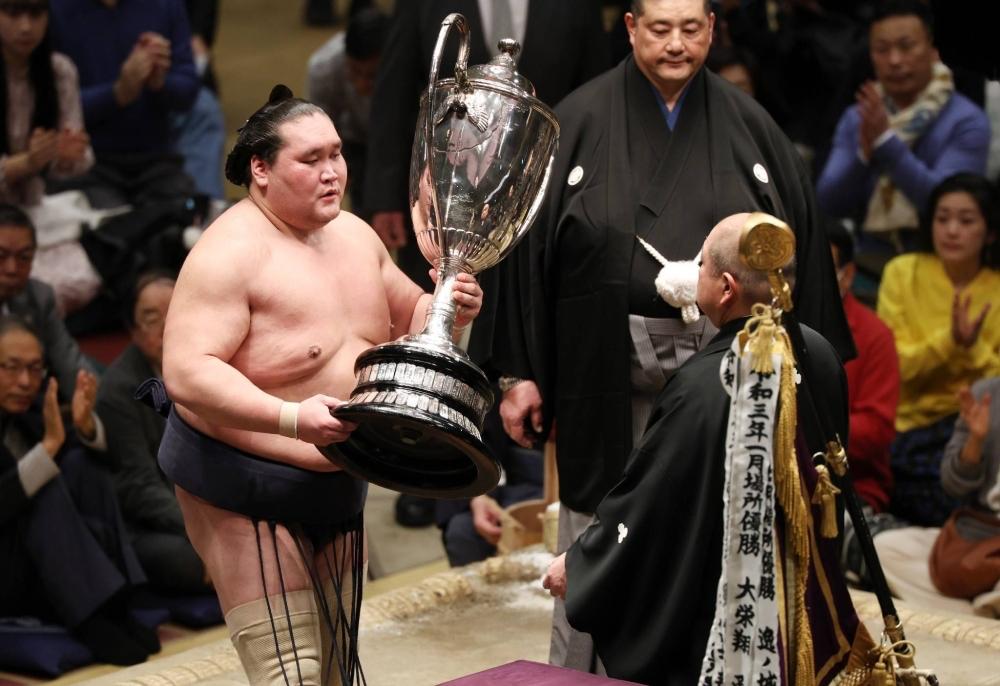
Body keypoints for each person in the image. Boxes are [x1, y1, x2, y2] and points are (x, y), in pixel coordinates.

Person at [496, 0, 851, 671]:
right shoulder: (577, 119)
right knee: (599, 535)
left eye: (692, 29)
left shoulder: (752, 126)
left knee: (720, 538)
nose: (677, 45)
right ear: (630, 27)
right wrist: (516, 374)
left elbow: (797, 254)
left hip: (726, 393)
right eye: (660, 29)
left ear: (713, 29)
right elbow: (525, 255)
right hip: (606, 379)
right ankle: (585, 677)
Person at [158, 86, 483, 685]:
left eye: (336, 154)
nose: (332, 172)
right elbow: (186, 371)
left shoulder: (356, 236)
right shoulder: (228, 253)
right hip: (240, 481)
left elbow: (407, 316)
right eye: (311, 159)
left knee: (336, 665)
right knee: (293, 672)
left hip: (337, 475)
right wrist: (291, 420)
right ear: (261, 169)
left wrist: (448, 311)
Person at [540, 214, 871, 685]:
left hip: (727, 603)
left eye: (702, 265)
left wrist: (583, 564)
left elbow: (650, 506)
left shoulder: (702, 386)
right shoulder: (818, 354)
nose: (695, 272)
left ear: (727, 288)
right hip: (804, 603)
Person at [0, 315, 157, 666]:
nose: (25, 381)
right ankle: (92, 618)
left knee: (83, 467)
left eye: (34, 369)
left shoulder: (26, 410)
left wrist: (85, 427)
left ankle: (117, 599)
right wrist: (50, 447)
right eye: (11, 368)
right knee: (47, 485)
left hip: (38, 561)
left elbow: (68, 450)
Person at [816, 0, 990, 257]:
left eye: (906, 46)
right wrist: (862, 156)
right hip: (868, 257)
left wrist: (886, 143)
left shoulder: (966, 120)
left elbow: (945, 204)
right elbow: (827, 203)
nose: (894, 60)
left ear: (933, 50)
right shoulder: (861, 115)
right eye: (882, 49)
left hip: (940, 260)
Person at [878, 172, 999, 528]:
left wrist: (971, 347)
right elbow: (895, 367)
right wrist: (951, 343)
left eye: (966, 220)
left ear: (990, 231)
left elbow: (997, 384)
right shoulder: (903, 272)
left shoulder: (995, 285)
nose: (951, 230)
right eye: (942, 218)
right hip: (910, 427)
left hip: (979, 430)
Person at [97, 270, 209, 594]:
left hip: (210, 501)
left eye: (175, 313)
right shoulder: (118, 391)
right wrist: (202, 529)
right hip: (155, 523)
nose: (167, 327)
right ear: (133, 332)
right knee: (191, 559)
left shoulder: (207, 364)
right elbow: (139, 487)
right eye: (151, 319)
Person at [47, 0, 200, 209]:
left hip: (156, 161)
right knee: (111, 227)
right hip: (89, 164)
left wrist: (161, 83)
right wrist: (116, 94)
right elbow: (49, 107)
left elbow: (189, 91)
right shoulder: (56, 10)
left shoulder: (166, 5)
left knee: (184, 221)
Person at [0, 0, 100, 315]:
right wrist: (26, 163)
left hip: (32, 210)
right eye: (13, 13)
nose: (26, 26)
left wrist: (67, 155)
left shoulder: (59, 71)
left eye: (35, 14)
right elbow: (30, 163)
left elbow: (81, 160)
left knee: (78, 280)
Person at [827, 219, 903, 587]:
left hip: (852, 486)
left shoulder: (874, 336)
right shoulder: (774, 324)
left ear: (847, 275)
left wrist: (806, 429)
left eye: (824, 270)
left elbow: (876, 431)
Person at [0, 203, 98, 399]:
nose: (12, 268)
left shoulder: (39, 296)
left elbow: (70, 364)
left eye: (23, 257)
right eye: (1, 256)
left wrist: (89, 398)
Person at [307, 6, 389, 222]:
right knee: (364, 214)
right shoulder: (324, 68)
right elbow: (321, 129)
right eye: (355, 72)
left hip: (402, 139)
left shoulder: (410, 62)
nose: (362, 84)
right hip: (353, 139)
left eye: (372, 75)